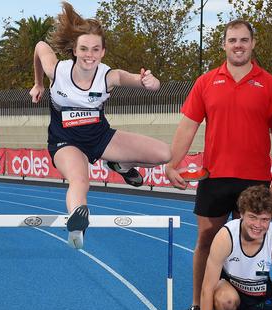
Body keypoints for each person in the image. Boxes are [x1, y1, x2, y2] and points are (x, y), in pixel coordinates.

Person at [165, 19, 272, 310]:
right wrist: (172, 163)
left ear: (253, 44)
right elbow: (187, 126)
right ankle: (197, 307)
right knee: (206, 242)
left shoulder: (270, 85)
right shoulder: (206, 82)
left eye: (244, 40)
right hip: (215, 176)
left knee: (249, 245)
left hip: (256, 179)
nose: (238, 45)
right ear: (224, 44)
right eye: (232, 40)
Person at [29, 2, 171, 249]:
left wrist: (150, 81)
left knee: (164, 154)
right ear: (74, 49)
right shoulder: (58, 71)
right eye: (84, 48)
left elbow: (138, 81)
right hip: (65, 141)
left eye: (95, 49)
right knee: (80, 180)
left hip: (100, 137)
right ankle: (77, 221)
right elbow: (40, 46)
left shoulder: (108, 76)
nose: (89, 55)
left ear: (103, 52)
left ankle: (121, 165)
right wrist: (39, 83)